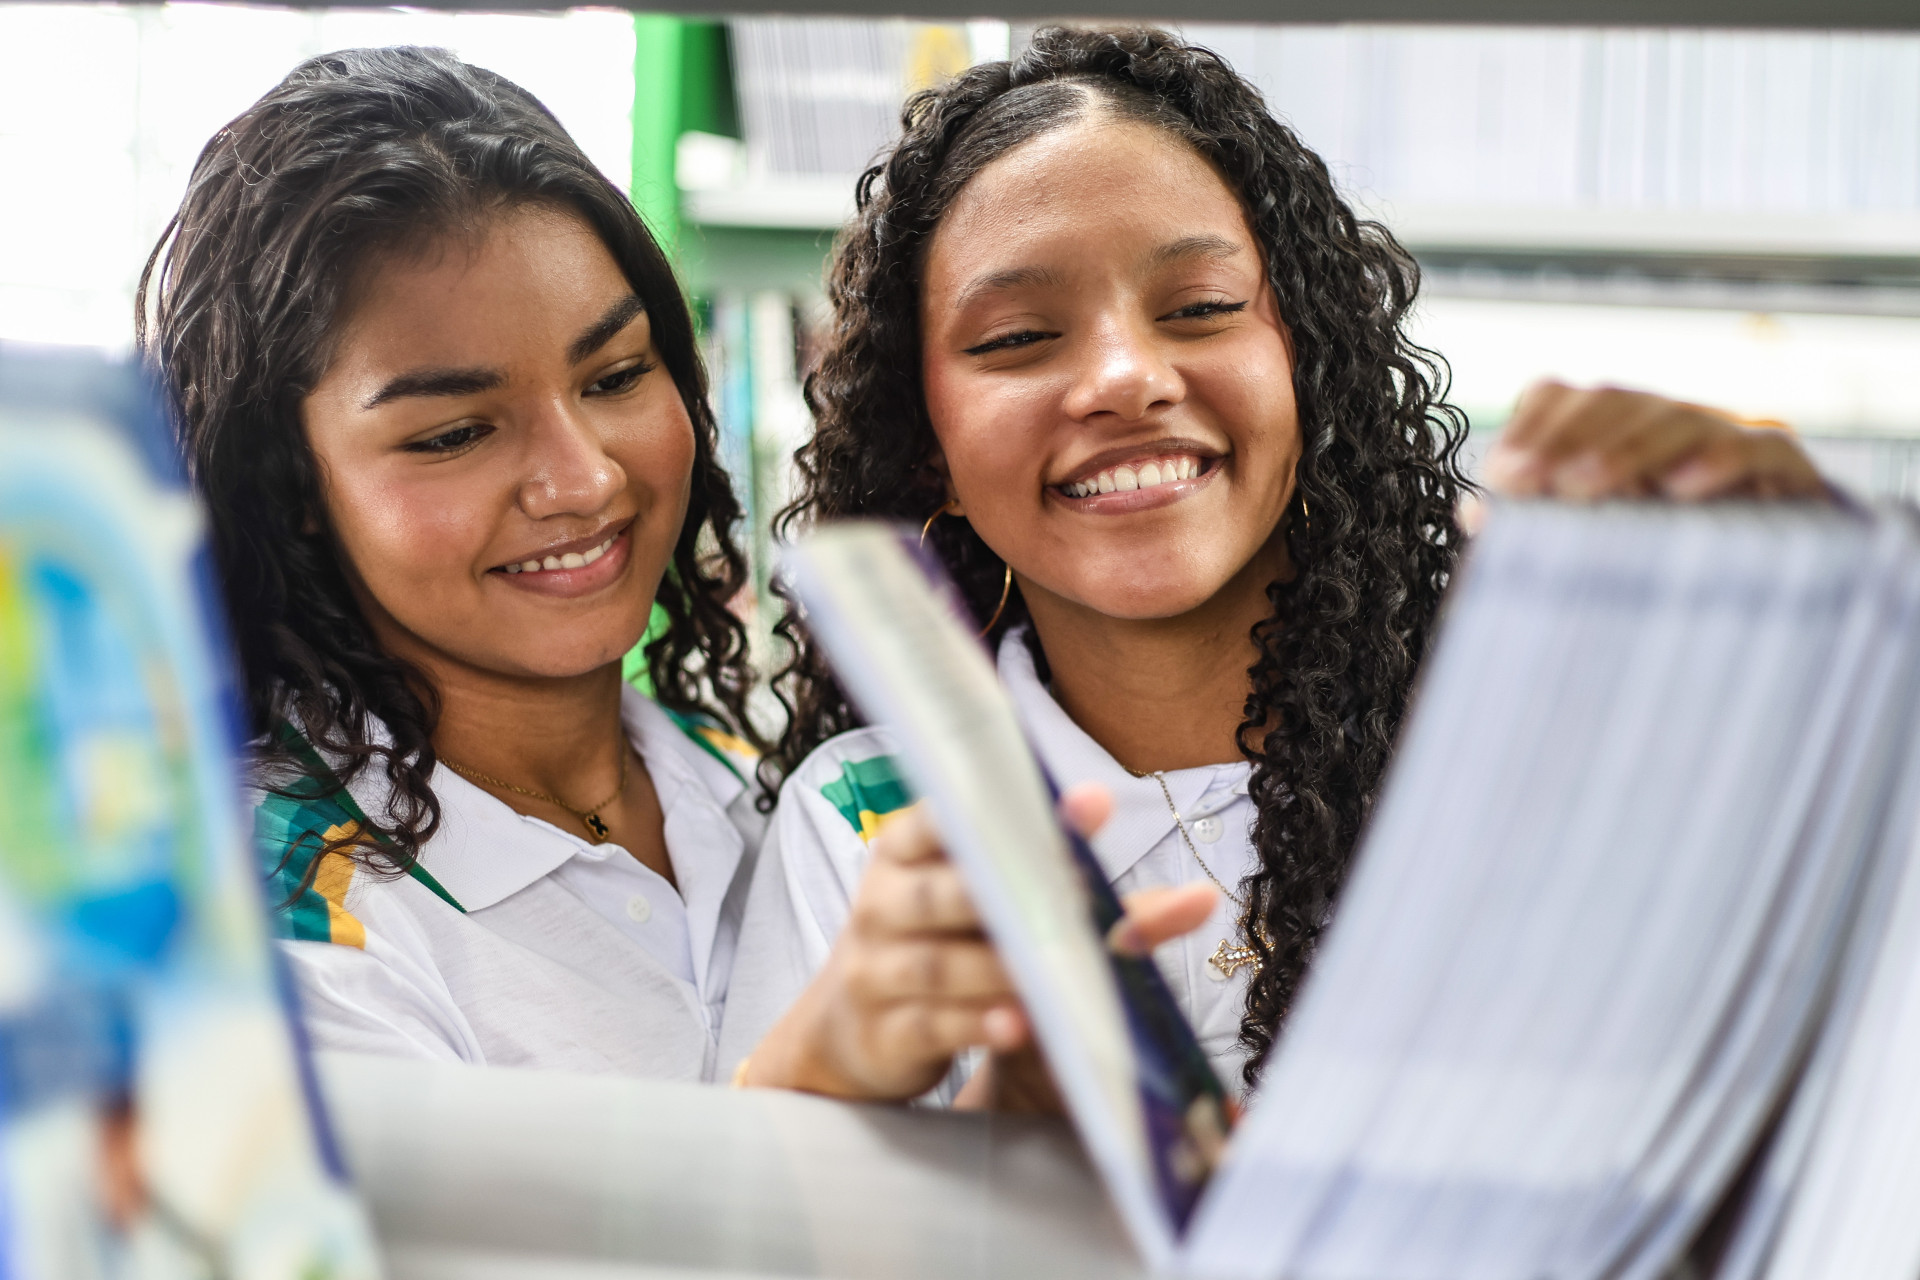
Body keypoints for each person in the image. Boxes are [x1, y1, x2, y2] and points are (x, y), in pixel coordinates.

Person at [725, 26, 1827, 1102]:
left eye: (1199, 309)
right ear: (933, 449)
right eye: (1017, 337)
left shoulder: (1538, 743)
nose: (1124, 377)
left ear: (1310, 364)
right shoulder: (867, 823)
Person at [139, 47, 772, 1077]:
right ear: (291, 485)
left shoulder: (753, 785)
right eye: (453, 435)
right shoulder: (264, 929)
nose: (582, 481)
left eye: (616, 375)